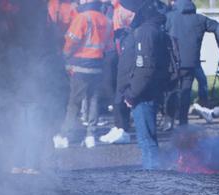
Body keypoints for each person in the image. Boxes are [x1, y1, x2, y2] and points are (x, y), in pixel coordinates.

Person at [116, 0, 169, 169]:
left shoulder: (144, 32)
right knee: (145, 138)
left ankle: (153, 176)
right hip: (142, 93)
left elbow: (144, 67)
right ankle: (152, 174)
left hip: (143, 95)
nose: (119, 13)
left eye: (122, 9)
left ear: (132, 12)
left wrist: (132, 93)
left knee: (147, 140)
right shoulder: (142, 30)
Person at [54, 2, 111, 149]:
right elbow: (109, 46)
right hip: (98, 65)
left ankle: (65, 135)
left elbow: (71, 41)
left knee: (74, 102)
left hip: (80, 66)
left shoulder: (82, 18)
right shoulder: (106, 20)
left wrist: (65, 56)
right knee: (93, 100)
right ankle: (90, 135)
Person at [164, 0, 219, 126]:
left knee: (171, 91)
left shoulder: (169, 18)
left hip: (172, 63)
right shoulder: (200, 19)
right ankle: (183, 122)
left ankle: (169, 121)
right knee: (186, 92)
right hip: (191, 63)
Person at [99, 0, 136, 144]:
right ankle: (119, 125)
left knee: (118, 90)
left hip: (118, 52)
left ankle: (122, 128)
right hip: (111, 52)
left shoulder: (123, 7)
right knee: (111, 90)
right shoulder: (109, 7)